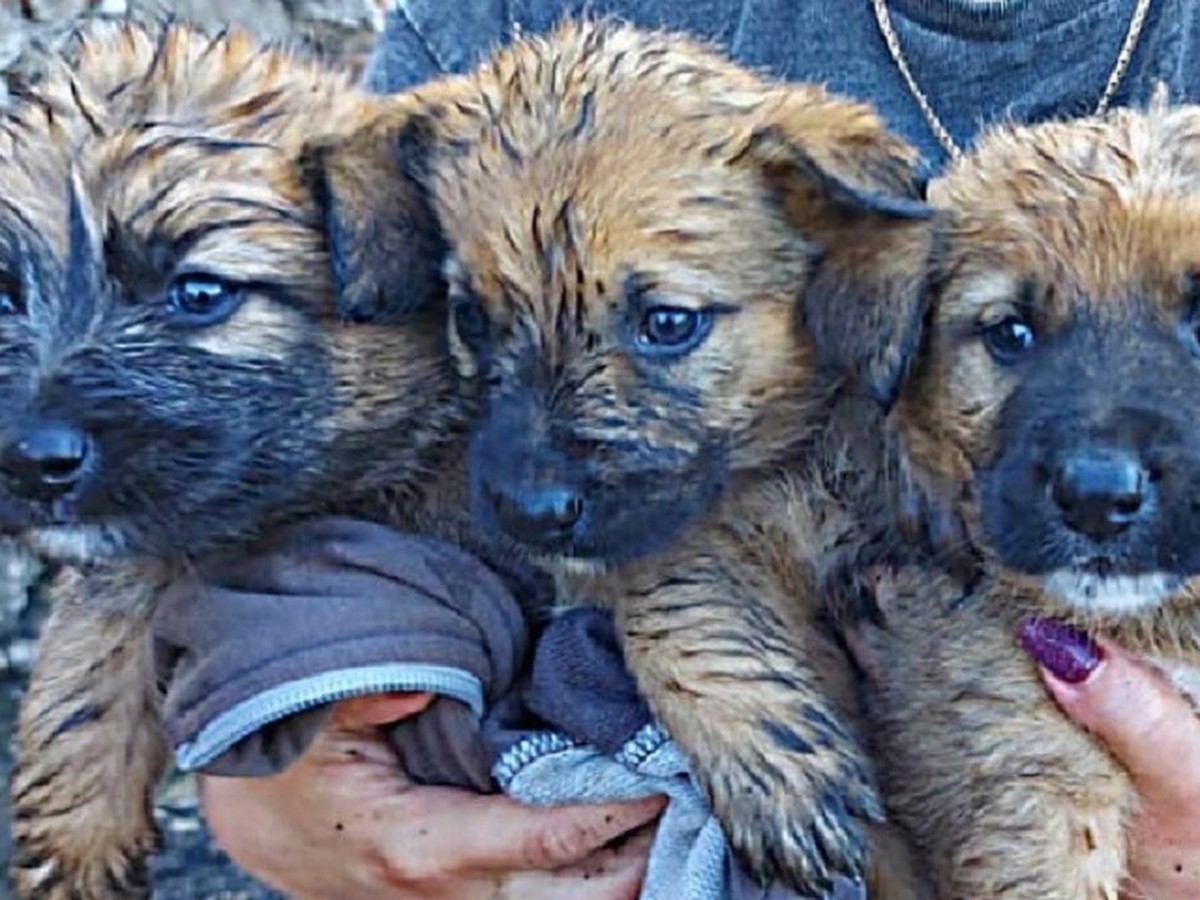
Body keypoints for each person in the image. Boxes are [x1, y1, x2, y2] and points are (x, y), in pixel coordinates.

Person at [197, 2, 1200, 898]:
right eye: (482, 317)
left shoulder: (830, 209)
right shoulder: (499, 45)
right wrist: (281, 738)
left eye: (667, 324)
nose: (545, 474)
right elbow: (345, 408)